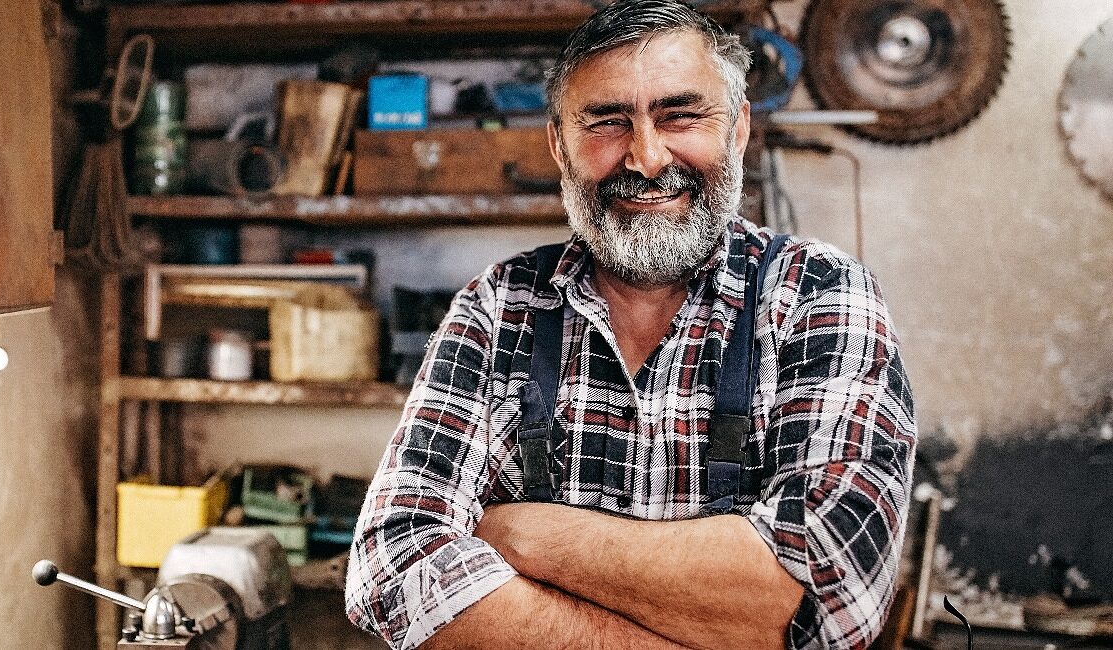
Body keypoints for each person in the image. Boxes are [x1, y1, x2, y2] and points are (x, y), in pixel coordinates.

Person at [343, 1, 917, 649]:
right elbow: (392, 568)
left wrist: (521, 534)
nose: (645, 158)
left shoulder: (818, 295)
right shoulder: (500, 307)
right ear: (560, 143)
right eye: (608, 122)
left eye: (681, 115)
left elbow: (828, 602)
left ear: (737, 130)